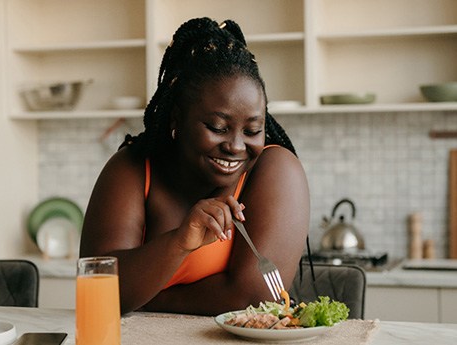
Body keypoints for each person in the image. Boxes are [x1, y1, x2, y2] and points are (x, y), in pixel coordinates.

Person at [79, 17, 310, 316]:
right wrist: (178, 243)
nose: (236, 146)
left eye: (252, 130)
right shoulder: (133, 167)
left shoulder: (276, 170)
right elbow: (98, 289)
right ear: (177, 119)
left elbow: (254, 298)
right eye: (217, 127)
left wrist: (151, 298)